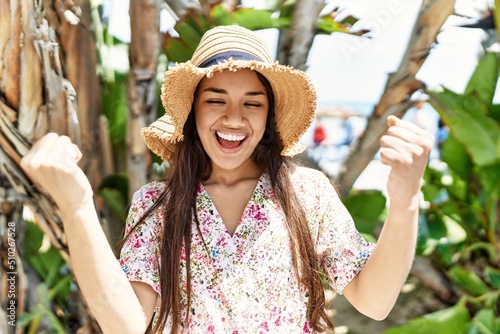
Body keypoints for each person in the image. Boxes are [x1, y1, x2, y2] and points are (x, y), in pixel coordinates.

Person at [20, 25, 434, 334]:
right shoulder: (157, 204)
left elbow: (376, 302)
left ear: (269, 118)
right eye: (216, 100)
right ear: (192, 113)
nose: (233, 117)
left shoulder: (307, 193)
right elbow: (125, 324)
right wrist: (76, 207)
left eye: (252, 103)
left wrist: (406, 200)